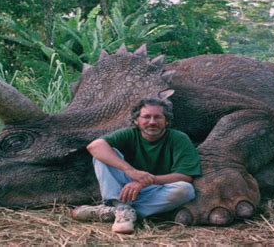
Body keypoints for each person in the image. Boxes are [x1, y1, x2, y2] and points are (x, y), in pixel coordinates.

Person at [71, 98, 202, 234]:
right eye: (146, 117)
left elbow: (186, 176)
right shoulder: (129, 134)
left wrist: (145, 182)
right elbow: (95, 146)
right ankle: (122, 208)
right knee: (104, 155)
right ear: (136, 121)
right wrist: (131, 171)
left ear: (166, 121)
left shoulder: (179, 138)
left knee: (186, 190)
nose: (152, 122)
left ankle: (117, 212)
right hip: (125, 190)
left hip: (156, 190)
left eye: (157, 117)